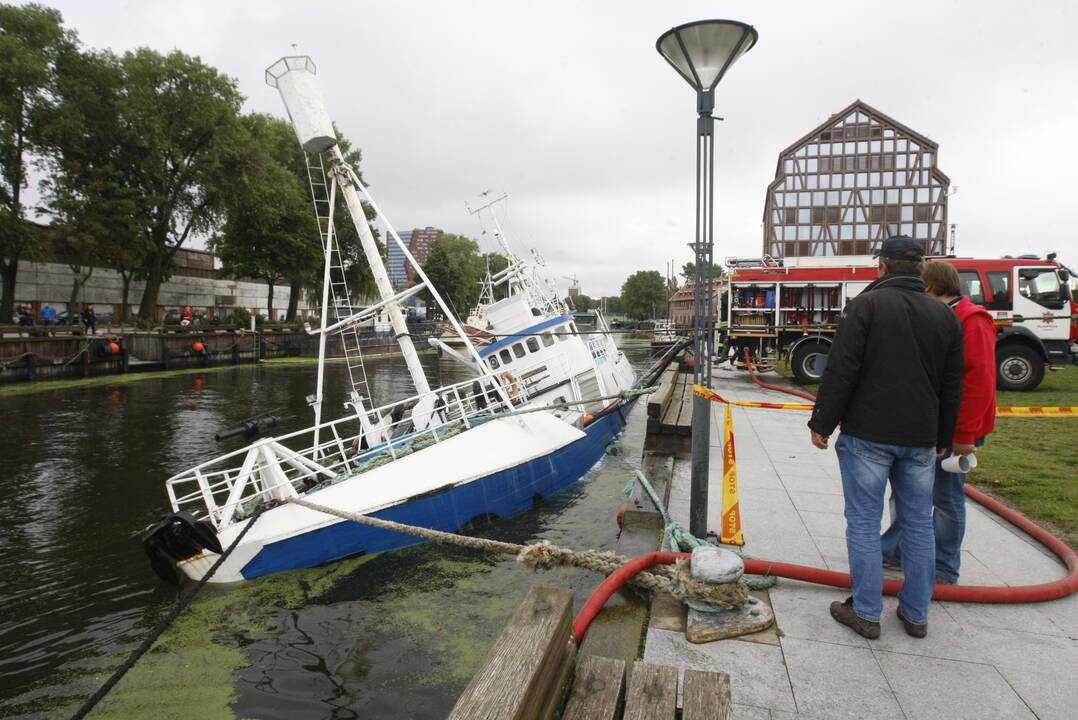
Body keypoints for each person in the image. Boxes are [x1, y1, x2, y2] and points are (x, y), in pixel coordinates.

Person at [808, 236, 963, 640]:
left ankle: (867, 612)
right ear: (919, 270)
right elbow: (951, 385)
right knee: (918, 524)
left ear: (883, 266)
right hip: (921, 439)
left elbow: (843, 369)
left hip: (868, 435)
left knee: (862, 522)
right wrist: (943, 435)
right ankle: (915, 614)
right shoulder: (945, 316)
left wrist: (822, 423)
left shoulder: (866, 306)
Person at [880, 260, 996, 583]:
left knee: (945, 498)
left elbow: (979, 382)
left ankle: (944, 566)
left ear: (929, 288)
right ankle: (896, 551)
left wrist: (964, 433)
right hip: (929, 425)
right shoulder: (943, 317)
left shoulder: (972, 321)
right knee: (908, 491)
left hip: (957, 430)